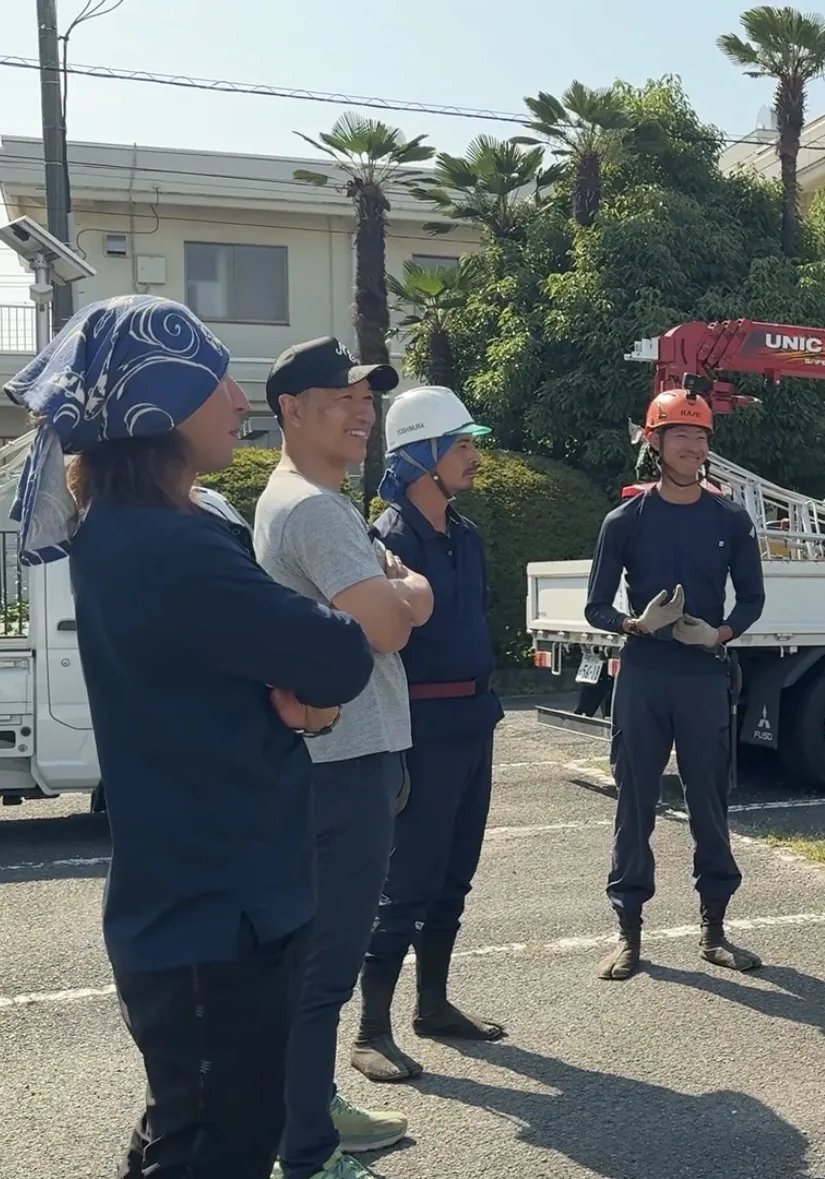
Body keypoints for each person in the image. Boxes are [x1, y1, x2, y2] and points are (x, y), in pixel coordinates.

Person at [4, 296, 374, 1179]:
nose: (240, 400)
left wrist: (309, 691)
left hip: (195, 909)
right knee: (216, 1149)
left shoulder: (132, 531)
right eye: (218, 378)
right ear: (160, 400)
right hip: (220, 920)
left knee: (190, 1131)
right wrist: (316, 700)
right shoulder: (171, 546)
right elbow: (340, 653)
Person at [254, 338, 431, 1179]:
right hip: (342, 763)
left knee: (318, 960)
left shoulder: (310, 497)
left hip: (344, 757)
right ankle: (309, 1151)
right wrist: (403, 589)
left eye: (368, 397)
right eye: (342, 394)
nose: (364, 410)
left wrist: (397, 588)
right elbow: (391, 622)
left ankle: (312, 1106)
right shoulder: (317, 511)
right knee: (323, 967)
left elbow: (392, 599)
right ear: (291, 408)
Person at [351, 386, 508, 1084]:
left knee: (455, 874)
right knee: (406, 880)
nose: (474, 456)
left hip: (475, 720)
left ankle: (433, 1003)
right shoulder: (387, 538)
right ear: (422, 456)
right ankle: (370, 1028)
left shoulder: (467, 535)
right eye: (462, 446)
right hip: (421, 728)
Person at [585, 388, 766, 981]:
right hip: (644, 674)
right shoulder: (625, 521)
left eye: (702, 435)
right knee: (634, 804)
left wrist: (720, 634)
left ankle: (715, 930)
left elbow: (754, 598)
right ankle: (628, 932)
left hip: (703, 677)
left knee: (710, 803)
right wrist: (634, 623)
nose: (694, 445)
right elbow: (595, 607)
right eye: (681, 435)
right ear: (654, 442)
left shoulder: (730, 518)